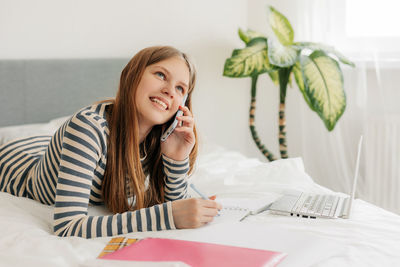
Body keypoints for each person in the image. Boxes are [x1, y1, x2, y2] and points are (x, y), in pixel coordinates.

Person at [0, 46, 222, 238]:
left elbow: (175, 204)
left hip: (45, 146)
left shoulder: (159, 140)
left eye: (180, 88)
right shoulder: (88, 128)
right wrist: (168, 217)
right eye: (161, 75)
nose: (169, 91)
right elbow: (67, 226)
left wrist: (177, 156)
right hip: (15, 162)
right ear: (132, 75)